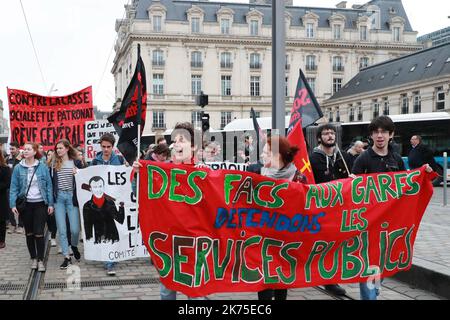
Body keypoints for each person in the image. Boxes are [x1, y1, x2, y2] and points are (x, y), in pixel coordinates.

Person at [352, 116, 434, 300]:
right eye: (376, 132)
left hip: (388, 223)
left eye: (384, 132)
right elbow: (351, 189)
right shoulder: (363, 159)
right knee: (368, 262)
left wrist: (424, 173)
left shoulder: (396, 158)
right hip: (367, 222)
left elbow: (406, 185)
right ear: (371, 135)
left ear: (391, 135)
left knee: (380, 262)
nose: (380, 136)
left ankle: (375, 287)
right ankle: (369, 295)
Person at [133, 122, 207, 300]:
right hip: (169, 240)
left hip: (194, 242)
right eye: (175, 140)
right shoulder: (162, 170)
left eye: (182, 140)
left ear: (194, 145)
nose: (176, 144)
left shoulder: (203, 172)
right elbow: (144, 194)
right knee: (167, 290)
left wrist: (207, 178)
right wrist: (139, 173)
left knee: (195, 291)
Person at [252, 135, 307, 300]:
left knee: (282, 280)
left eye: (266, 153)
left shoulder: (298, 178)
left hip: (286, 239)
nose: (262, 156)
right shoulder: (256, 174)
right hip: (262, 237)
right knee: (264, 282)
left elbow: (308, 207)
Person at [309, 124, 349, 296]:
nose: (330, 136)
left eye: (332, 133)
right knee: (319, 244)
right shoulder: (313, 157)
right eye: (326, 133)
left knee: (333, 245)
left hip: (338, 209)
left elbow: (350, 177)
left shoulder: (343, 156)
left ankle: (330, 279)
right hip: (319, 209)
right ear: (319, 138)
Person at [9, 142, 54, 272]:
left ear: (35, 152)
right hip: (26, 205)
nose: (26, 151)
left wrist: (50, 203)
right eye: (25, 149)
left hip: (40, 204)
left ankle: (40, 260)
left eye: (29, 149)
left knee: (39, 233)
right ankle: (33, 258)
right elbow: (14, 188)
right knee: (29, 233)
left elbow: (49, 186)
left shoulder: (42, 167)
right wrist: (12, 204)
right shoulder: (18, 168)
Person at [90, 133, 125, 276]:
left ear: (113, 147)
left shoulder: (120, 160)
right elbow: (88, 177)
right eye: (103, 146)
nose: (105, 149)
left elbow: (126, 179)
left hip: (113, 201)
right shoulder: (95, 161)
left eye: (108, 147)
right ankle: (109, 262)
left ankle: (112, 257)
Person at [49, 139, 83, 269]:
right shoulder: (53, 164)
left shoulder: (77, 162)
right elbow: (50, 184)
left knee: (75, 230)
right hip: (59, 199)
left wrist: (78, 173)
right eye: (57, 148)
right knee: (62, 230)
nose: (58, 150)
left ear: (67, 148)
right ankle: (66, 257)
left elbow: (85, 179)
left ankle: (73, 246)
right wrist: (51, 202)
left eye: (60, 148)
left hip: (72, 198)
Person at [82, 176, 125, 244]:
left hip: (112, 239)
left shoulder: (110, 202)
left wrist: (121, 207)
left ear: (104, 187)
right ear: (90, 189)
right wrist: (89, 243)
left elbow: (120, 220)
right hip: (98, 239)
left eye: (100, 186)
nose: (98, 189)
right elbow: (87, 227)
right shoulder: (87, 206)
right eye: (95, 187)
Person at [6, 142, 24, 234]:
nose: (11, 151)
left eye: (13, 149)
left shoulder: (22, 159)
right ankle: (13, 224)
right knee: (10, 205)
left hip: (20, 186)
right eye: (10, 149)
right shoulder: (7, 159)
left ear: (17, 149)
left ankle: (21, 225)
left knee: (20, 205)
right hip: (10, 186)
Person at [0, 152, 11, 249]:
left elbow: (7, 183)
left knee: (1, 220)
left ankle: (2, 240)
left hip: (1, 198)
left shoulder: (5, 168)